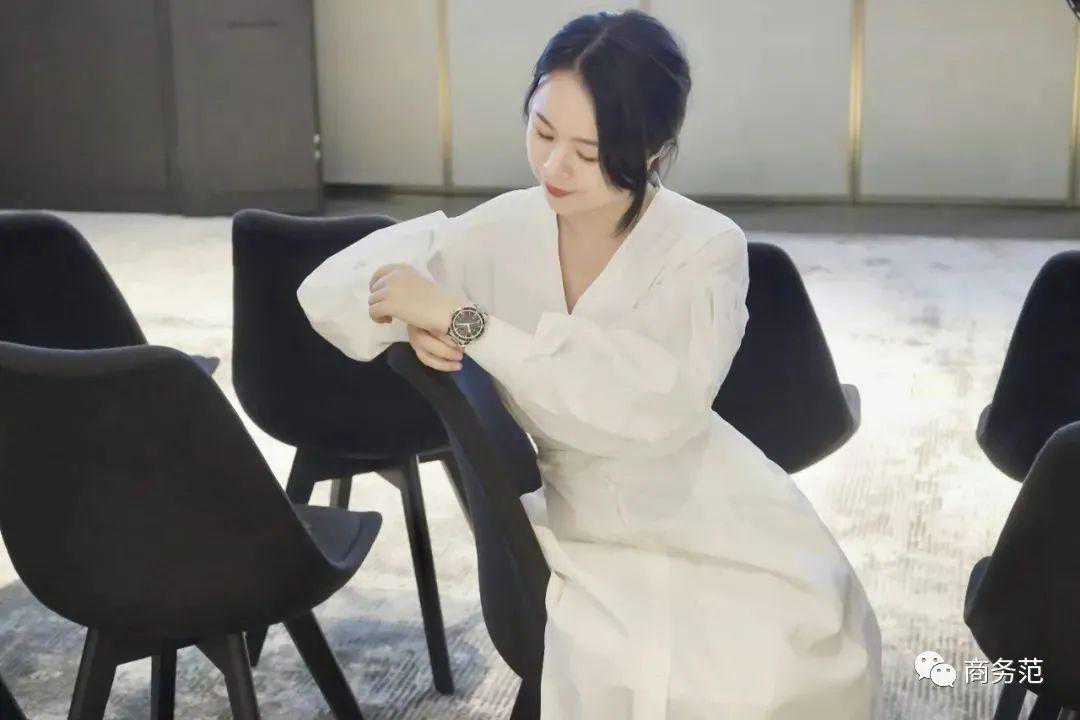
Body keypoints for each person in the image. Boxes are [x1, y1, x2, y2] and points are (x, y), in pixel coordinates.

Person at [296, 9, 882, 719]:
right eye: (542, 132)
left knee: (795, 655)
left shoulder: (705, 247)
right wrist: (410, 321)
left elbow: (650, 409)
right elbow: (330, 290)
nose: (553, 168)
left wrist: (465, 321)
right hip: (578, 520)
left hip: (701, 500)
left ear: (654, 151)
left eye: (588, 151)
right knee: (656, 673)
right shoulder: (505, 227)